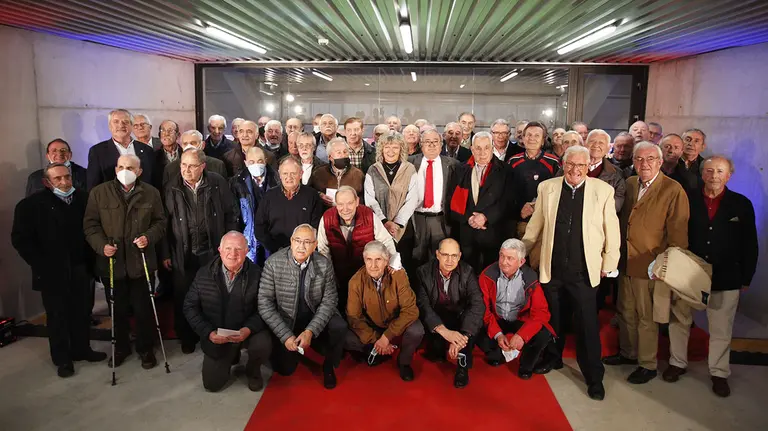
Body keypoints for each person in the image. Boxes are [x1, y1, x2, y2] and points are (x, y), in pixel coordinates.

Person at [523, 145, 621, 400]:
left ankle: (593, 376)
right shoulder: (548, 187)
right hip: (553, 268)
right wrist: (522, 250)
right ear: (563, 164)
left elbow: (612, 231)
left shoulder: (603, 191)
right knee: (553, 319)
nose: (575, 170)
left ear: (588, 166)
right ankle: (553, 358)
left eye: (581, 165)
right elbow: (537, 224)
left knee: (587, 324)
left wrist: (609, 263)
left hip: (584, 270)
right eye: (570, 164)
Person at [663, 156, 758, 398]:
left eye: (719, 171)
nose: (714, 175)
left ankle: (718, 373)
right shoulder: (688, 199)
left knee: (721, 328)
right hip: (688, 274)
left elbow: (750, 243)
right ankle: (677, 363)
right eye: (709, 170)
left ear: (728, 176)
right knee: (680, 320)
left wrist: (746, 277)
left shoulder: (741, 204)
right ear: (702, 174)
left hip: (726, 276)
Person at [603, 142, 690, 384]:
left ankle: (648, 364)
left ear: (660, 162)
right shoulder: (630, 183)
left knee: (646, 316)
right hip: (626, 261)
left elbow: (678, 233)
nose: (644, 164)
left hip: (651, 266)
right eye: (639, 159)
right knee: (625, 311)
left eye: (650, 159)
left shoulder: (673, 190)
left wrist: (667, 266)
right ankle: (628, 353)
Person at [12, 163, 106, 378]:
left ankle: (82, 349)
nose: (64, 182)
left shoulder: (83, 199)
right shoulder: (30, 206)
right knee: (58, 316)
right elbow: (21, 240)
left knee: (82, 311)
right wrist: (41, 264)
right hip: (52, 272)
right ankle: (63, 359)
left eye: (67, 177)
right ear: (47, 182)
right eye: (58, 179)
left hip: (81, 267)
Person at [83, 154, 166, 369]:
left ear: (139, 171)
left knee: (143, 309)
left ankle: (145, 348)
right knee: (117, 310)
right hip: (113, 263)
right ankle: (120, 347)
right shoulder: (99, 193)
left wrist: (149, 237)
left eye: (130, 167)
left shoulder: (151, 193)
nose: (124, 170)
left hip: (141, 263)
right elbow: (90, 225)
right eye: (120, 166)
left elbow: (160, 222)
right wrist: (101, 246)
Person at [161, 149, 237, 354]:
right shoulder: (171, 187)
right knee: (183, 297)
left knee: (212, 296)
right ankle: (186, 336)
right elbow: (163, 223)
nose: (186, 170)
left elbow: (230, 213)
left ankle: (210, 335)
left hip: (211, 251)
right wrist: (166, 253)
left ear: (202, 166)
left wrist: (228, 245)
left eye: (191, 166)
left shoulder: (217, 182)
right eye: (183, 165)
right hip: (181, 252)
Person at [258, 224, 348, 389]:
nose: (301, 246)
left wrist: (310, 330)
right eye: (298, 240)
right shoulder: (273, 263)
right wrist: (285, 335)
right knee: (286, 370)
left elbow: (330, 299)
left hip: (313, 316)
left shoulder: (324, 263)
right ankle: (292, 349)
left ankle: (329, 365)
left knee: (339, 326)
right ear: (291, 241)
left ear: (315, 245)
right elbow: (264, 303)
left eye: (307, 242)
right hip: (287, 320)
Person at [346, 241, 424, 381]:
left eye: (378, 260)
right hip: (372, 326)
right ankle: (379, 350)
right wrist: (378, 339)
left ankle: (404, 362)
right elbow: (354, 317)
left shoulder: (398, 275)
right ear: (364, 260)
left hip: (396, 324)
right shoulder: (355, 282)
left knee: (417, 330)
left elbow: (411, 310)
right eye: (369, 260)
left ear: (387, 260)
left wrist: (387, 336)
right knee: (346, 337)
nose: (373, 265)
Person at [477, 239, 554, 380]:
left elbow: (541, 312)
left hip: (520, 319)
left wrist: (522, 336)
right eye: (501, 256)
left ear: (521, 262)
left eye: (510, 258)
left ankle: (526, 365)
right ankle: (499, 354)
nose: (503, 262)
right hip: (496, 319)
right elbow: (483, 309)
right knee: (476, 329)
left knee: (543, 334)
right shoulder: (486, 275)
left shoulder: (531, 278)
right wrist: (498, 334)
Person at [317, 185, 400, 311]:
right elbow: (323, 251)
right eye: (340, 204)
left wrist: (393, 264)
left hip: (366, 277)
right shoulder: (326, 218)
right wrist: (330, 278)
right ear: (335, 204)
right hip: (339, 277)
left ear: (357, 201)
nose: (345, 209)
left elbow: (386, 241)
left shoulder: (368, 215)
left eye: (349, 203)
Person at [414, 238, 484, 388]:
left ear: (459, 256)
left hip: (459, 318)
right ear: (437, 254)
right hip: (436, 318)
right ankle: (437, 347)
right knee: (435, 353)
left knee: (470, 324)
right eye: (445, 255)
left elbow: (477, 304)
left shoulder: (468, 271)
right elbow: (423, 305)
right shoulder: (422, 272)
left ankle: (462, 368)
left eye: (454, 256)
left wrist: (462, 337)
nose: (449, 260)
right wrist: (444, 332)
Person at [449, 132, 513, 273]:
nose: (482, 152)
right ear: (472, 149)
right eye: (478, 148)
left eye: (486, 148)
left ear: (492, 148)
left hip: (493, 232)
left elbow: (507, 202)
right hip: (467, 233)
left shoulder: (505, 170)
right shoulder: (460, 169)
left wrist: (485, 217)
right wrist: (469, 218)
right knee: (467, 275)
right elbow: (452, 200)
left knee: (492, 274)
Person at [508, 121, 560, 268]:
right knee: (517, 263)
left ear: (543, 140)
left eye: (537, 135)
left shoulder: (554, 162)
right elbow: (507, 192)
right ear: (522, 138)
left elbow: (558, 193)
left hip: (543, 224)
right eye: (528, 135)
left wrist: (535, 206)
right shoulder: (513, 161)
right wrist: (520, 208)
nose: (532, 138)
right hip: (519, 222)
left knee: (538, 264)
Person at [408, 128, 459, 266]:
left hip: (441, 219)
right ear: (421, 145)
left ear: (441, 144)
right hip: (416, 218)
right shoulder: (409, 163)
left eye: (435, 142)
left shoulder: (453, 164)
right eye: (427, 142)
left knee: (439, 258)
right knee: (416, 257)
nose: (431, 145)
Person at [255, 157, 324, 254]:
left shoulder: (312, 196)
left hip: (303, 251)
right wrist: (272, 247)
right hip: (274, 252)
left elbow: (316, 227)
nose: (289, 177)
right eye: (285, 173)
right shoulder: (269, 196)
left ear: (301, 174)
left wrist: (302, 247)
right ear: (279, 174)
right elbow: (259, 226)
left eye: (293, 173)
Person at [363, 132, 419, 243]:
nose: (391, 151)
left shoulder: (409, 169)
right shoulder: (373, 170)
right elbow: (369, 199)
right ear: (381, 149)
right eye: (387, 147)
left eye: (395, 147)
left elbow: (412, 199)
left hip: (403, 227)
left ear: (401, 149)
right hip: (379, 226)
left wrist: (397, 223)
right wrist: (384, 221)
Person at [230, 146, 281, 266]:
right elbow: (233, 213)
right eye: (252, 162)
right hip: (249, 236)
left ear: (266, 161)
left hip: (272, 236)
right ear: (246, 163)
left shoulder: (277, 180)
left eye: (260, 161)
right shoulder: (236, 183)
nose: (256, 165)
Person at [87, 109, 153, 190]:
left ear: (131, 126)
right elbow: (93, 187)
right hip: (111, 201)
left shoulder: (147, 150)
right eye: (116, 122)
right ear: (110, 126)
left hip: (143, 200)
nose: (121, 125)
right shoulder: (97, 151)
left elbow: (153, 181)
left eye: (125, 122)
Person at [309, 137, 365, 206]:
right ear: (330, 157)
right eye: (339, 152)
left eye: (345, 152)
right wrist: (319, 195)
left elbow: (363, 199)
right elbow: (309, 192)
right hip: (325, 213)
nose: (343, 155)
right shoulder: (318, 173)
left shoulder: (358, 174)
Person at [162, 130, 228, 188]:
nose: (189, 146)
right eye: (185, 144)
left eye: (193, 143)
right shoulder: (170, 168)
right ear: (181, 146)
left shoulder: (218, 165)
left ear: (202, 145)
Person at [151, 120, 182, 190]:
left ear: (178, 135)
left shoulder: (185, 154)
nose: (166, 134)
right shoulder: (153, 156)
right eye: (163, 130)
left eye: (170, 131)